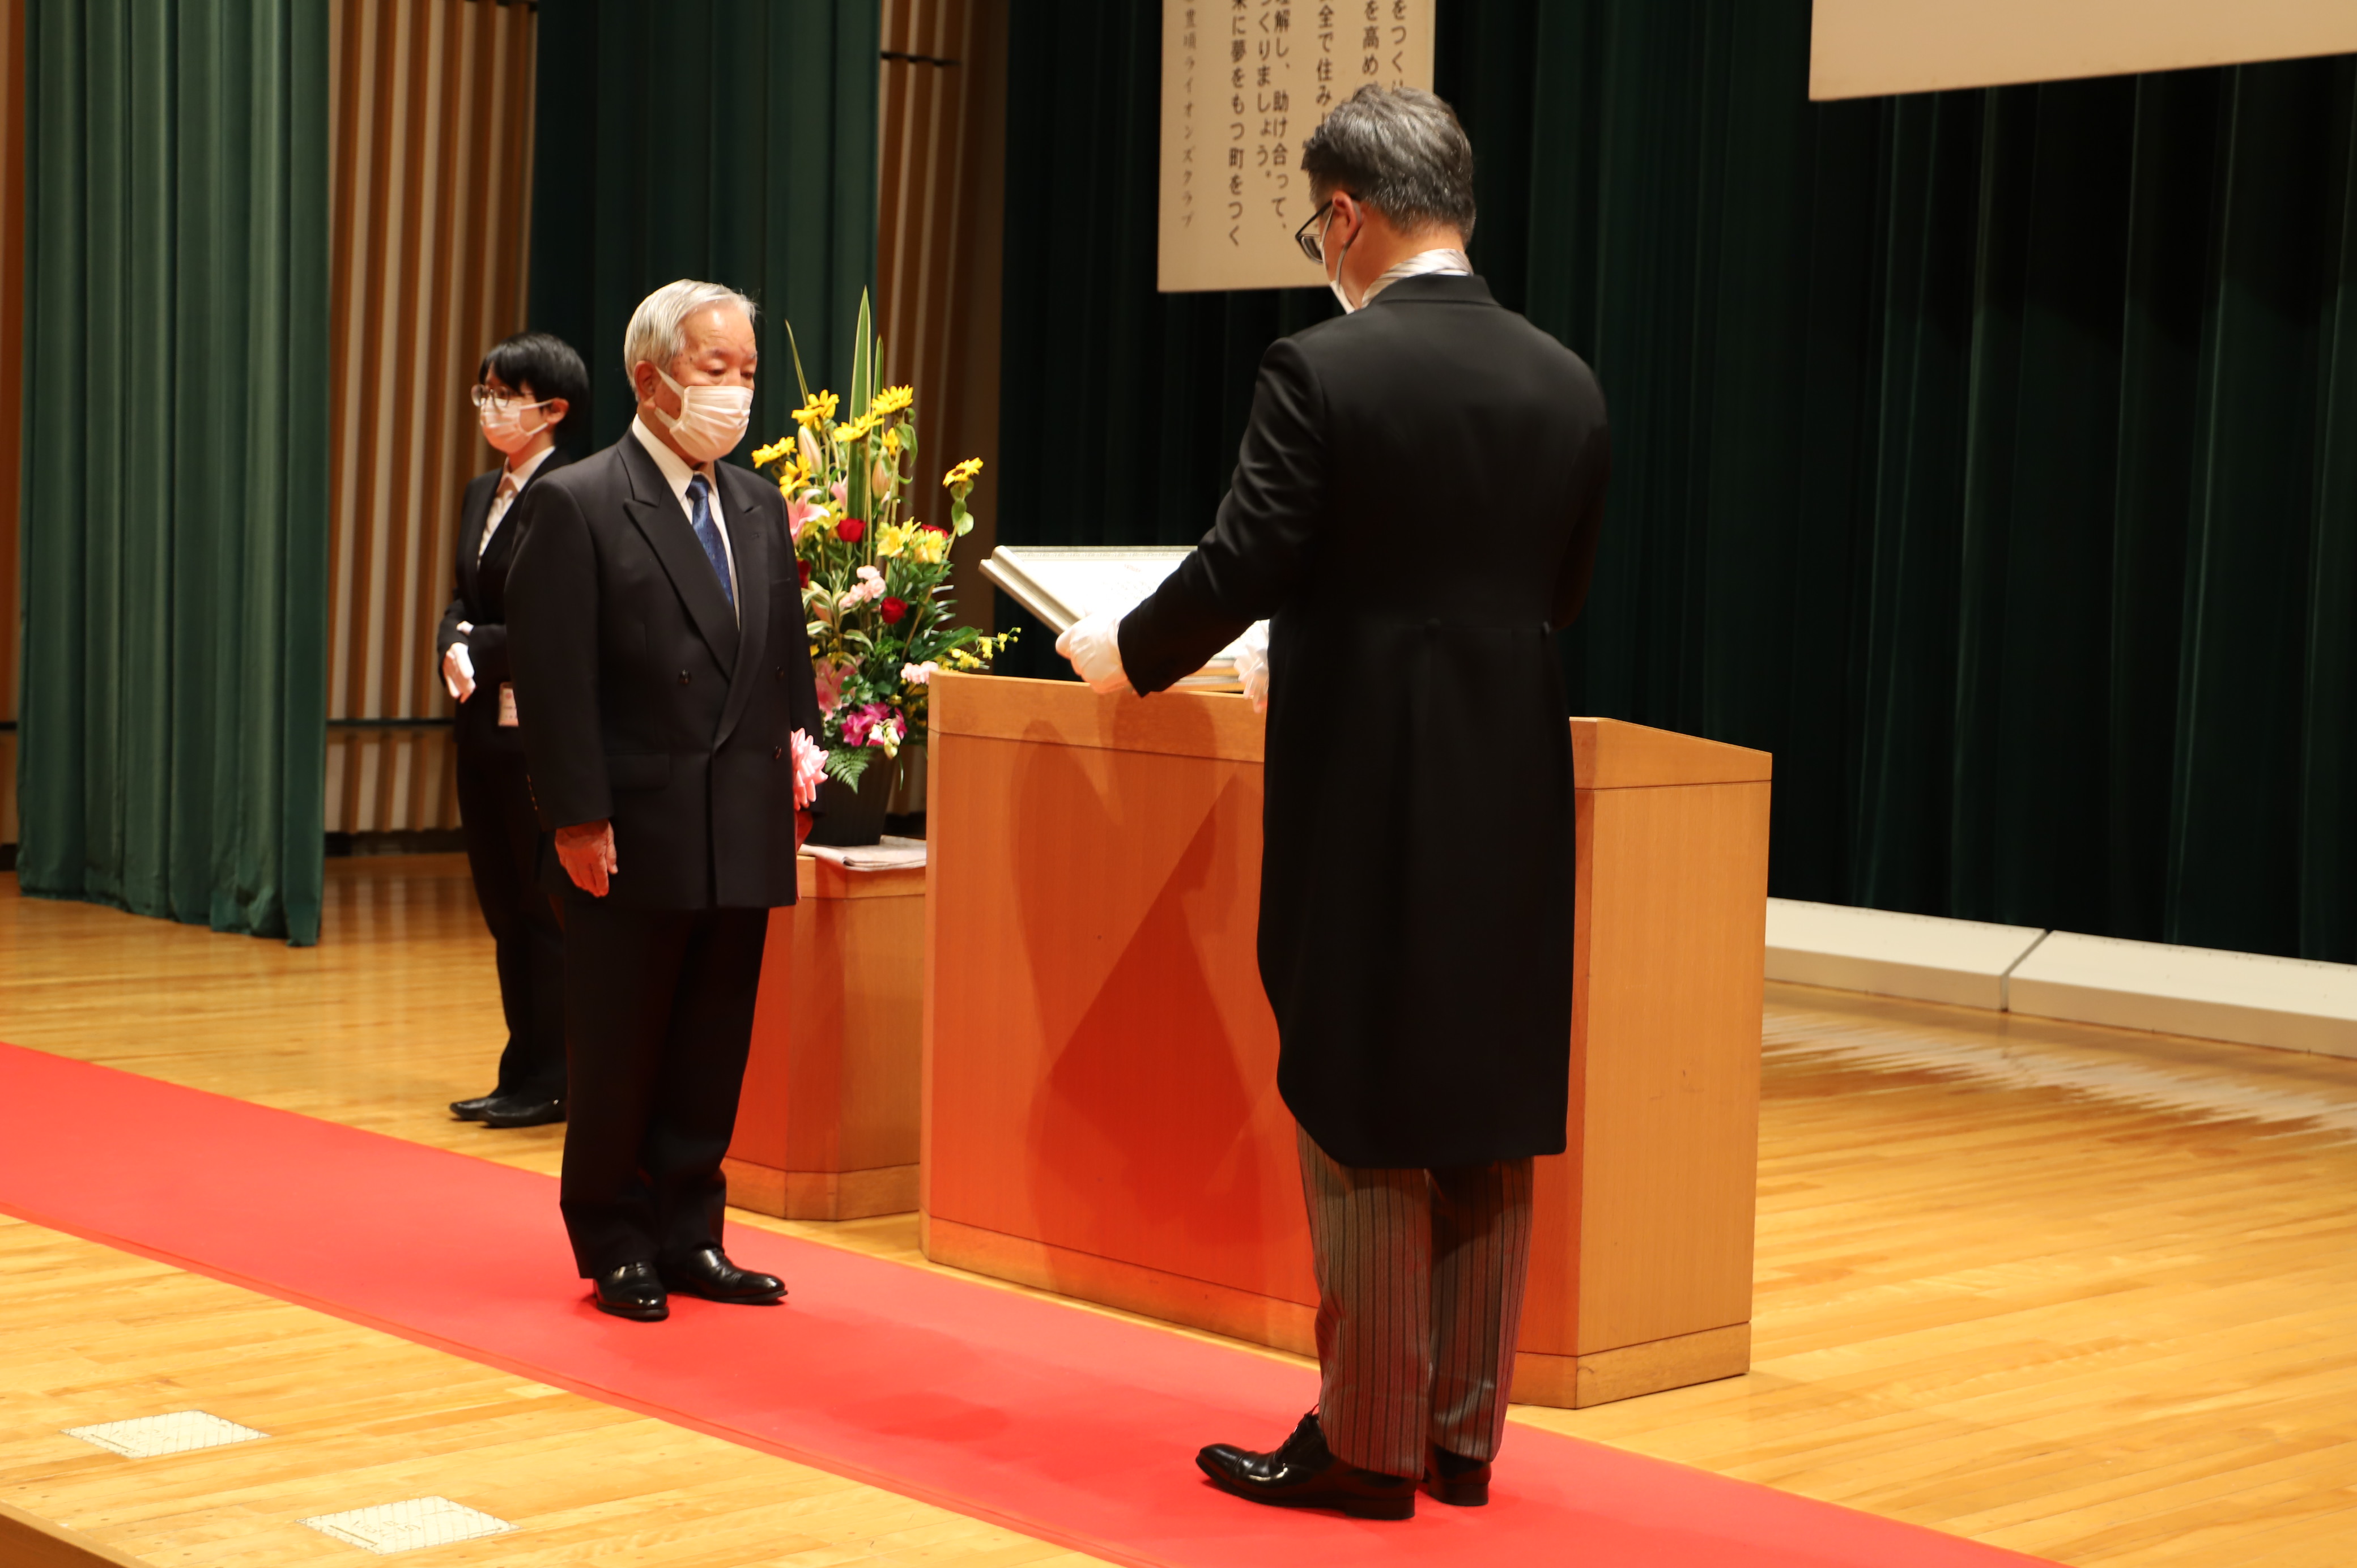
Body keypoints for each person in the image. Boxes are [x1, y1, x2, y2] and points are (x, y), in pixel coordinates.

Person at [1058, 85, 1611, 1520]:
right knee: (1487, 1092)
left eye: (1318, 224)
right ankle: (1461, 1435)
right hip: (1513, 779)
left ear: (1348, 217)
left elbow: (1245, 562)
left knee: (1359, 1087)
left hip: (1370, 783)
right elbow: (1559, 592)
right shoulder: (1566, 379)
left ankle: (1364, 1443)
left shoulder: (1322, 371)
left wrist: (1128, 657)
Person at [505, 280, 823, 1322]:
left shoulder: (757, 503)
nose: (735, 393)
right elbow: (557, 682)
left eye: (745, 373)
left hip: (738, 814)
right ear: (650, 380)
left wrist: (797, 771)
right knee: (621, 1040)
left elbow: (782, 662)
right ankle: (615, 1236)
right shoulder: (581, 501)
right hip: (630, 822)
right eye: (714, 371)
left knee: (709, 1041)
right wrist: (575, 816)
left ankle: (693, 1231)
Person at [440, 332, 589, 1131]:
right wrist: (448, 644)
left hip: (538, 728)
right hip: (480, 726)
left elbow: (553, 617)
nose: (492, 408)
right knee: (504, 905)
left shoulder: (573, 490)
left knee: (543, 908)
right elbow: (464, 596)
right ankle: (520, 1068)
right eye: (485, 392)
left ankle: (558, 1074)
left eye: (506, 394)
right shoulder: (479, 492)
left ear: (552, 408)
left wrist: (475, 646)